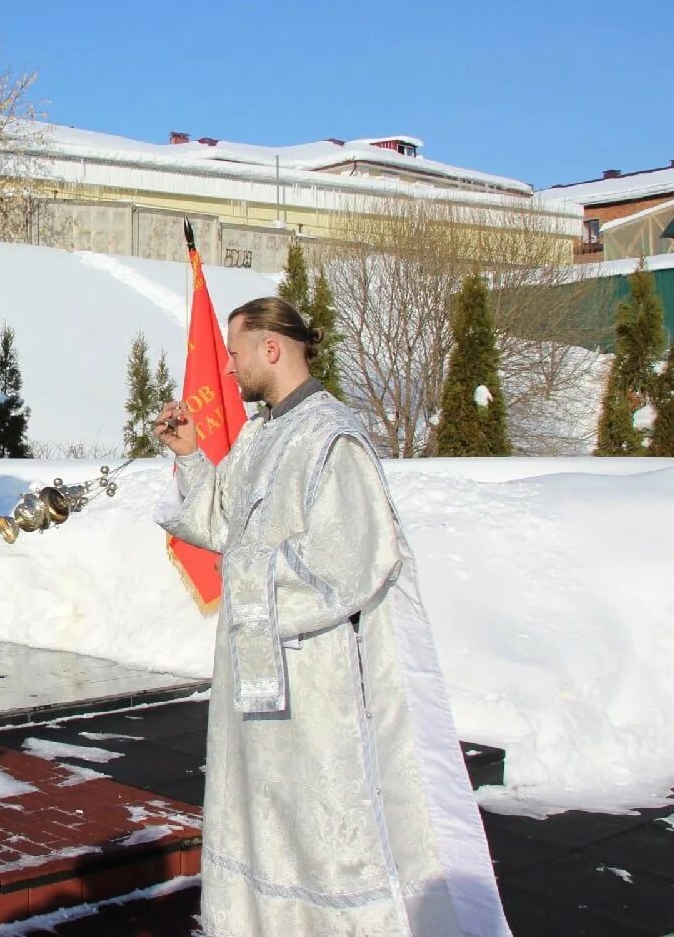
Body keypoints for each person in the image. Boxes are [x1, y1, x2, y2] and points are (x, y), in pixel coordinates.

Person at [152, 296, 509, 936]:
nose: (228, 369)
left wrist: (248, 566)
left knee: (315, 826)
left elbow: (351, 559)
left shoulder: (332, 439)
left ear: (272, 347)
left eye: (235, 353)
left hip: (314, 679)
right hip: (257, 678)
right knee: (260, 814)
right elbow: (221, 519)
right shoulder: (263, 432)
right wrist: (189, 456)